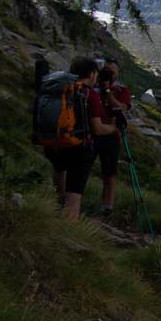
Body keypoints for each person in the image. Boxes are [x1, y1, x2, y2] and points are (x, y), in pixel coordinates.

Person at [34, 56, 97, 219]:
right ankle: (68, 234)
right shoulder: (89, 94)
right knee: (74, 197)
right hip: (78, 148)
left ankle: (57, 204)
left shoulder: (58, 88)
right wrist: (113, 127)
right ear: (92, 75)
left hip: (52, 142)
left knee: (59, 168)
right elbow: (98, 127)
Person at [88, 59, 131, 216]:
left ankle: (107, 206)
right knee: (84, 167)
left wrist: (107, 91)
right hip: (92, 132)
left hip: (112, 135)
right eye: (106, 70)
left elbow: (122, 108)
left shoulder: (121, 90)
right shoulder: (91, 87)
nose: (108, 75)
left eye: (112, 72)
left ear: (117, 74)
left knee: (110, 172)